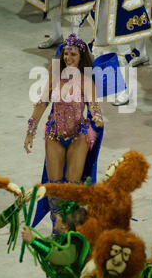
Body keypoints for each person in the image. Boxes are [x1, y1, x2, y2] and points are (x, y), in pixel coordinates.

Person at [24, 33, 104, 233]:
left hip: (79, 137)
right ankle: (56, 227)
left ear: (80, 57)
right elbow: (41, 105)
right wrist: (30, 132)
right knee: (55, 186)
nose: (68, 58)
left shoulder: (86, 81)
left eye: (73, 55)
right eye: (66, 54)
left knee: (72, 187)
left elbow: (93, 107)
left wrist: (97, 117)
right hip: (54, 136)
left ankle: (70, 229)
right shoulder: (54, 79)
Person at [21, 200, 90, 278]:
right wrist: (33, 240)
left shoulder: (75, 241)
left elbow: (62, 257)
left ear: (64, 225)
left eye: (58, 216)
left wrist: (33, 241)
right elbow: (49, 245)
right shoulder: (60, 238)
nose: (55, 216)